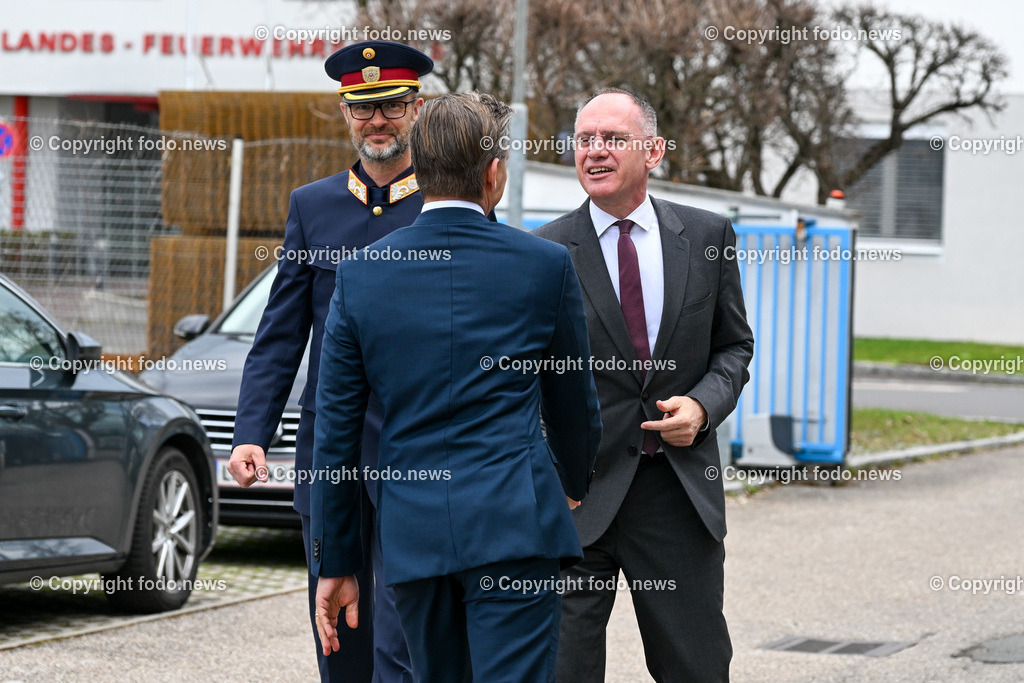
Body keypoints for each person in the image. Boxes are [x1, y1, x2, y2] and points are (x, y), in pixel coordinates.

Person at [309, 92, 602, 682]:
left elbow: (335, 430)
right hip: (515, 523)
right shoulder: (544, 264)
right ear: (493, 173)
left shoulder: (361, 274)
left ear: (420, 171)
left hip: (414, 534)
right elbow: (575, 402)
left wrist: (337, 560)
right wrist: (572, 477)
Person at [226, 40, 433, 682]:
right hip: (332, 458)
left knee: (408, 639)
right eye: (362, 108)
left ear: (416, 108)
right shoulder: (312, 207)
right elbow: (280, 335)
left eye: (392, 107)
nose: (377, 122)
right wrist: (251, 435)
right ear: (345, 113)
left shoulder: (447, 204)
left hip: (420, 455)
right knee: (338, 636)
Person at [534, 88, 754, 682]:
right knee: (562, 672)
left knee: (696, 669)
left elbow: (734, 346)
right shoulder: (544, 250)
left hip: (676, 496)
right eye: (584, 140)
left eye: (613, 139)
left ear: (654, 150)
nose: (595, 152)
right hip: (573, 500)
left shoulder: (707, 237)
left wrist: (703, 407)